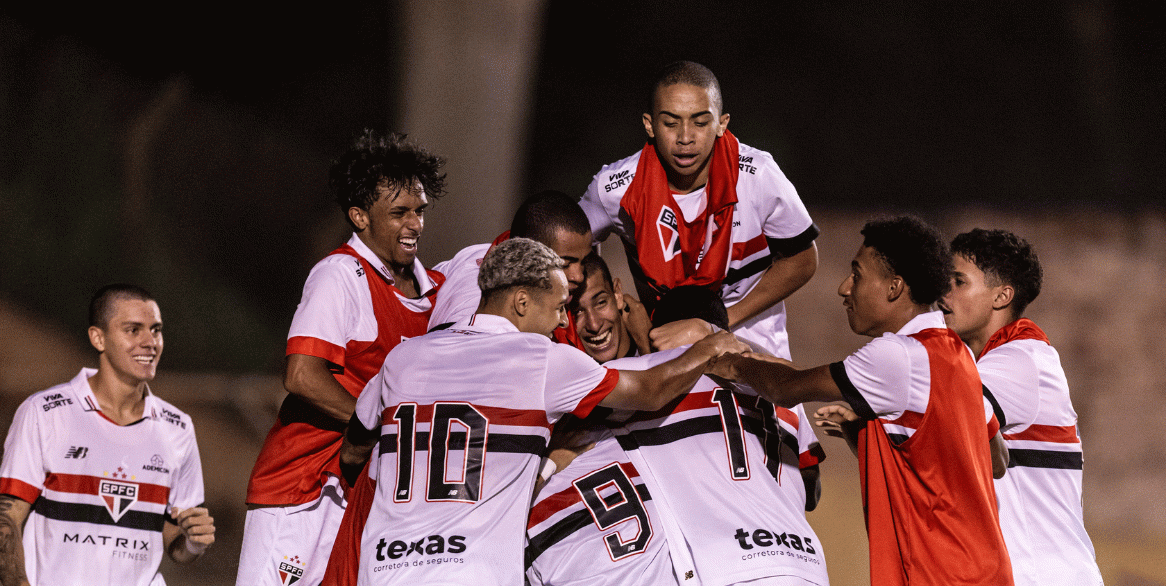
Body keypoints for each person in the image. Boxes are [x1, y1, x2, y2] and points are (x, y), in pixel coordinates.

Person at [338, 238, 746, 585]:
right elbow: (652, 391)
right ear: (520, 302)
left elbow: (354, 451)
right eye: (557, 308)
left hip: (385, 570)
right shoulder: (541, 358)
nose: (561, 324)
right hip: (472, 572)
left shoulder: (405, 357)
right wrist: (711, 345)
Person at [709, 216, 1014, 585]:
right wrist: (877, 440)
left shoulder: (897, 356)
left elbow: (785, 388)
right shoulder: (957, 357)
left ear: (894, 287)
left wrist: (727, 362)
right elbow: (996, 461)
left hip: (940, 577)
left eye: (857, 275)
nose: (844, 287)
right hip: (985, 572)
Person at [527, 256, 828, 586]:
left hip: (728, 564)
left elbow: (645, 387)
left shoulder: (643, 383)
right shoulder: (782, 391)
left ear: (663, 332)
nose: (593, 322)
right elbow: (811, 487)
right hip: (805, 563)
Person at [238, 130, 446, 586]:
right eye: (399, 213)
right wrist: (379, 425)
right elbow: (301, 375)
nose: (414, 224)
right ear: (360, 217)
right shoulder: (340, 275)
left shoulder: (437, 291)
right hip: (304, 488)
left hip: (370, 493)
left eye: (419, 211)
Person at [578, 60, 818, 359]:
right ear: (649, 125)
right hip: (662, 355)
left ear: (722, 123)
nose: (685, 137)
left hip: (756, 357)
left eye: (700, 122)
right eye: (670, 123)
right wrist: (605, 304)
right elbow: (567, 250)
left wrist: (715, 325)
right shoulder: (612, 190)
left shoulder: (759, 175)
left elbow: (804, 259)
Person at [0, 284, 214, 586]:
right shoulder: (44, 412)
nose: (149, 342)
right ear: (98, 338)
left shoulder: (178, 427)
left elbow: (173, 545)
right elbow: (7, 518)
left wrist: (194, 542)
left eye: (156, 330)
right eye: (133, 330)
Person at [940, 228, 1103, 585]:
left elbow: (939, 411)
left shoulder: (1020, 358)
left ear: (1002, 296)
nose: (943, 294)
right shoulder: (1002, 361)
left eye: (957, 281)